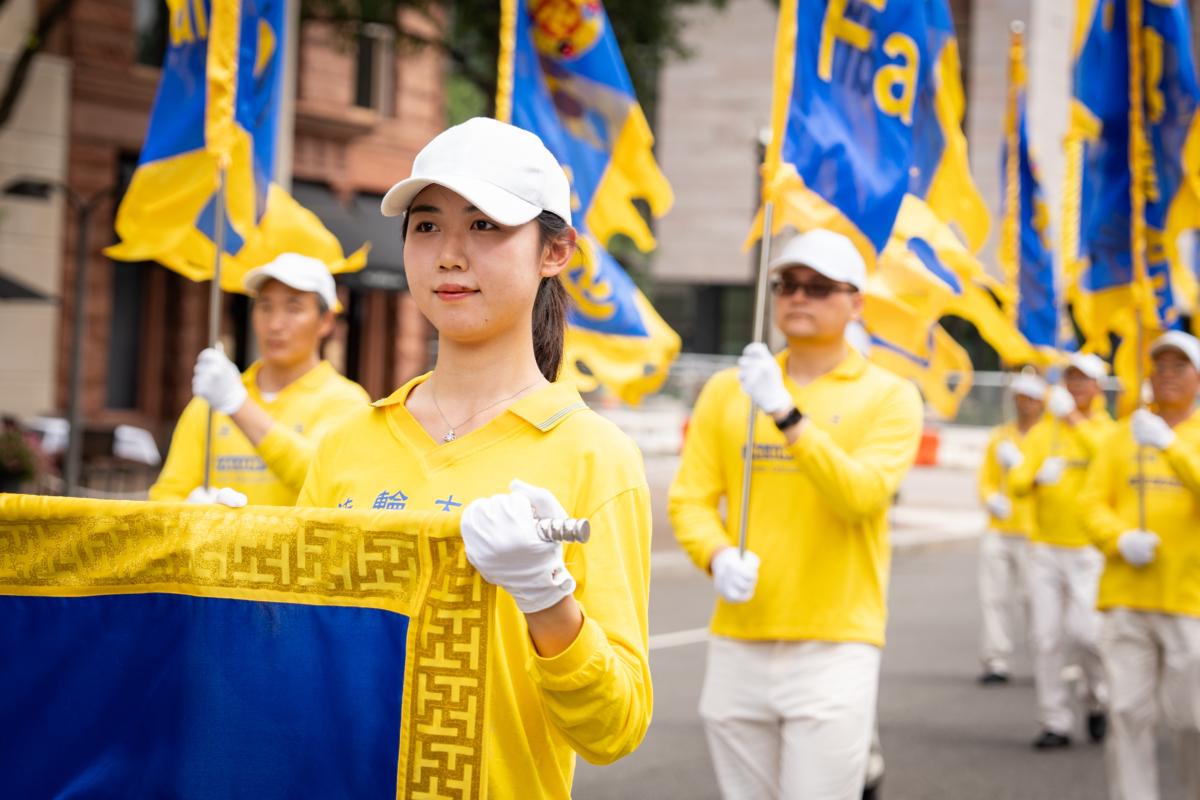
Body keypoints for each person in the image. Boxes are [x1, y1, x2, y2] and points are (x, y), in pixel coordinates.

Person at [294, 118, 653, 799]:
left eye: (485, 225)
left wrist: (547, 600)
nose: (450, 255)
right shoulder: (347, 443)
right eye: (426, 226)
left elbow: (616, 727)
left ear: (556, 251)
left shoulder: (594, 456)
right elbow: (298, 658)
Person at [669, 229, 924, 800]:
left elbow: (860, 495)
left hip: (835, 643)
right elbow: (689, 497)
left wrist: (785, 412)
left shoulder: (890, 396)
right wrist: (714, 554)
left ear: (855, 302)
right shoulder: (725, 392)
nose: (798, 297)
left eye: (819, 287)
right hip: (740, 636)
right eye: (787, 285)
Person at [1080, 331, 1200, 800]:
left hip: (1189, 601)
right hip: (1126, 596)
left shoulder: (1176, 437)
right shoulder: (1120, 435)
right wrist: (1119, 539)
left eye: (1179, 366)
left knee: (1192, 719)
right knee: (1127, 716)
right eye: (1161, 366)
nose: (1167, 375)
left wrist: (1171, 446)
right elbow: (1090, 504)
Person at [149, 254, 369, 506]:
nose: (274, 324)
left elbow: (324, 479)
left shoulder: (347, 403)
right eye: (265, 307)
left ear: (326, 321)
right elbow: (164, 496)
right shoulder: (210, 402)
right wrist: (189, 513)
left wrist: (238, 405)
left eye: (293, 308)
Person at [1008, 352, 1114, 749]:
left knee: (1086, 633)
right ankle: (1055, 719)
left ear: (1098, 388)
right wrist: (1035, 476)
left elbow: (1105, 459)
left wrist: (1074, 420)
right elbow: (1016, 482)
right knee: (1046, 637)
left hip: (1088, 549)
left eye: (1084, 380)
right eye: (1070, 378)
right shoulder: (1043, 432)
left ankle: (1096, 698)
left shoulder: (1107, 429)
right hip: (1045, 548)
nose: (1075, 387)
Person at [976, 372, 1047, 684]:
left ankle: (1043, 659)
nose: (1024, 404)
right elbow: (985, 480)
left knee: (1035, 600)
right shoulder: (1000, 436)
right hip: (999, 528)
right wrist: (991, 499)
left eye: (1030, 398)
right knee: (994, 597)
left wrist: (1021, 467)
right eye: (1019, 397)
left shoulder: (1049, 438)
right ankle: (996, 659)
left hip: (1034, 531)